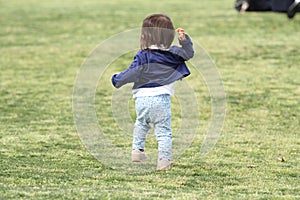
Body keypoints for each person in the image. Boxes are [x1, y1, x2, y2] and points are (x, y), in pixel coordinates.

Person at [111, 14, 194, 170]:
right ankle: (163, 161)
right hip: (161, 99)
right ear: (169, 35)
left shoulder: (143, 55)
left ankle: (137, 151)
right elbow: (188, 54)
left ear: (145, 36)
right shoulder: (173, 53)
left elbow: (131, 73)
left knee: (141, 123)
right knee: (163, 131)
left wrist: (117, 79)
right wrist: (184, 41)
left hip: (141, 99)